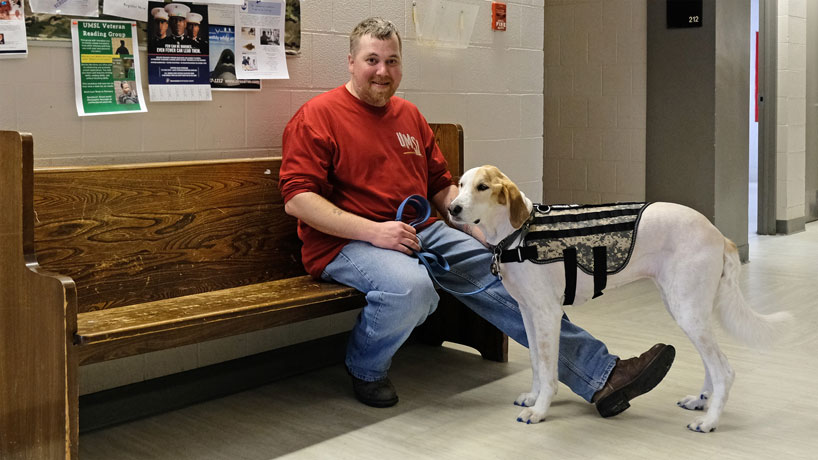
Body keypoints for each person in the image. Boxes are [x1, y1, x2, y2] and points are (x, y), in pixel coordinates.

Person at [279, 17, 675, 414]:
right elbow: (298, 200)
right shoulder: (317, 116)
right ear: (350, 62)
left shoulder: (409, 116)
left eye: (393, 61)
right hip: (347, 241)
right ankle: (365, 368)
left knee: (508, 272)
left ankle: (601, 376)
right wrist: (375, 232)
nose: (383, 72)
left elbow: (441, 187)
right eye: (372, 60)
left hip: (421, 230)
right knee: (411, 289)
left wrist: (475, 225)